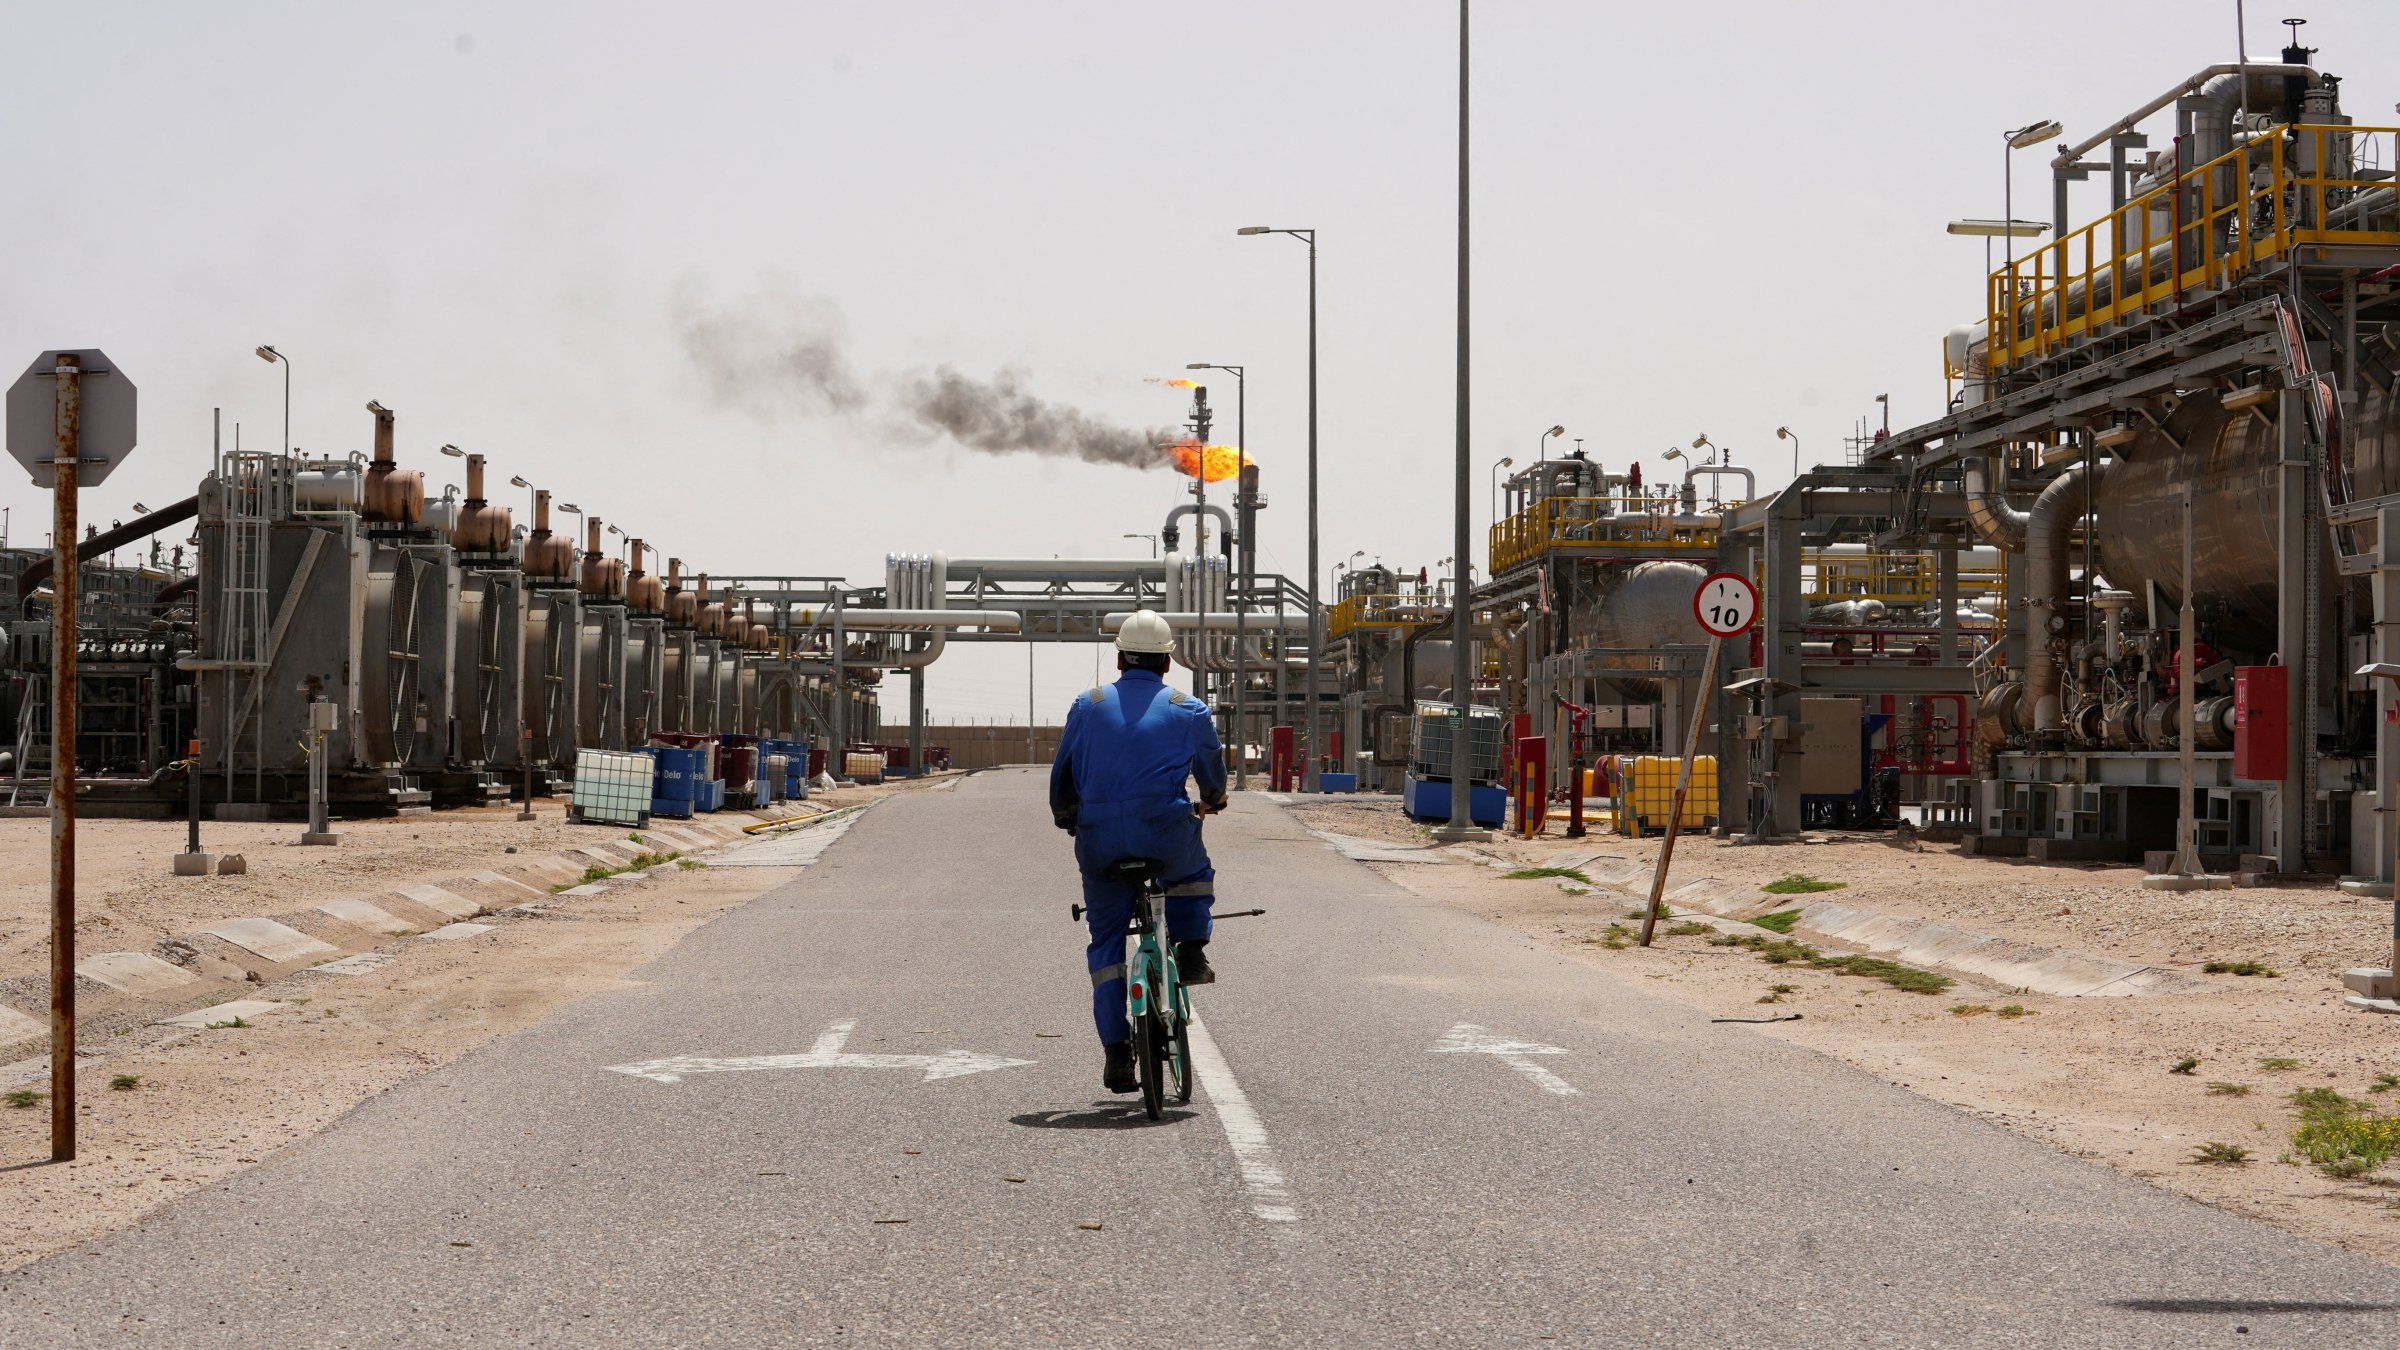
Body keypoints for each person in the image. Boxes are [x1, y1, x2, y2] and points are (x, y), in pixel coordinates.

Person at [1050, 609, 1228, 1093]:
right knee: (1191, 875)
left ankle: (1116, 1055)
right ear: (1168, 664)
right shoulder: (1187, 708)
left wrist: (1066, 815)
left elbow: (1063, 773)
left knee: (1106, 945)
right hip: (1164, 831)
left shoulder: (1086, 705)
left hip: (1101, 838)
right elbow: (1211, 768)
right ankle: (1191, 952)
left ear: (1120, 658)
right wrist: (1213, 799)